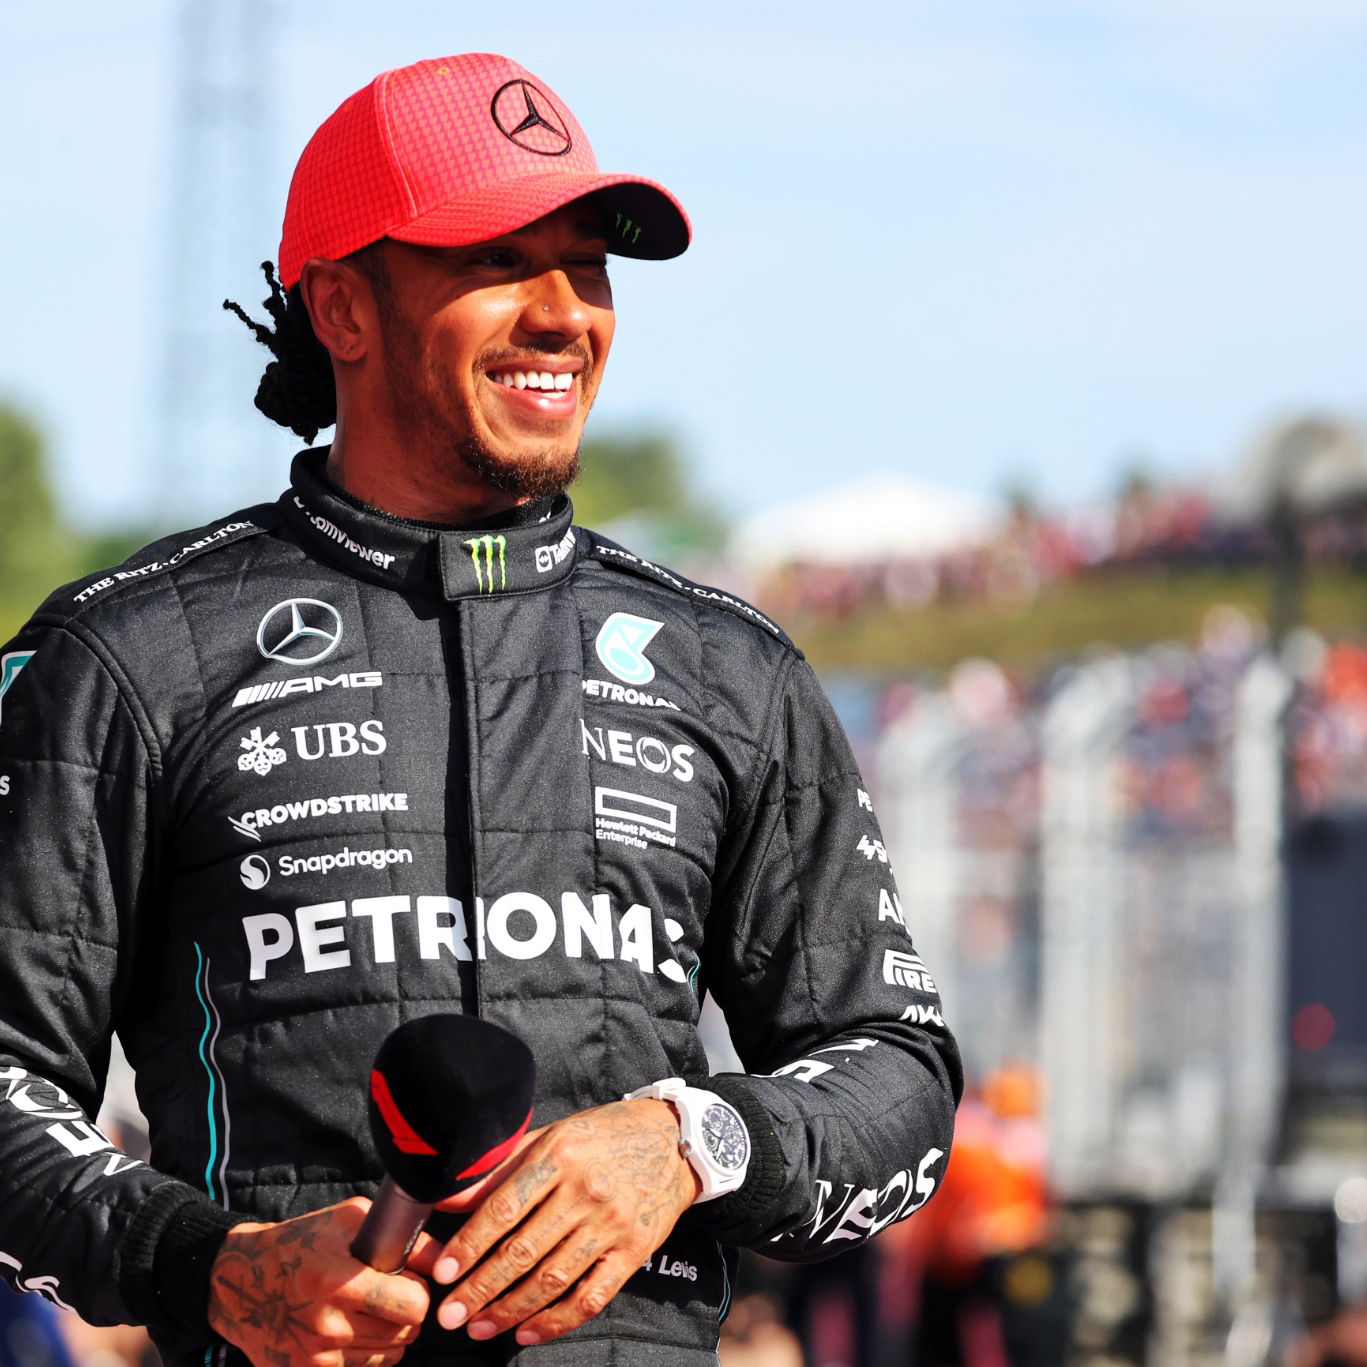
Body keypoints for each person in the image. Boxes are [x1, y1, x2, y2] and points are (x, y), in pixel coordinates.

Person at [0, 53, 961, 1367]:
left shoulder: (729, 671)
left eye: (590, 266)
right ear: (342, 307)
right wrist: (204, 1268)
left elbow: (896, 1075)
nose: (569, 314)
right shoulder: (126, 659)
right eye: (503, 261)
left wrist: (695, 1141)